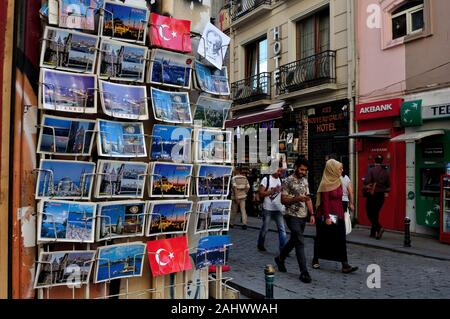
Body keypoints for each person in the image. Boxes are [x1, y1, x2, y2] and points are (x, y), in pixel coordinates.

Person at [312, 159, 358, 274]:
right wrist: (327, 217)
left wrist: (343, 213)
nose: (341, 170)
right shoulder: (325, 183)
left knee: (341, 238)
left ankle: (345, 264)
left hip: (339, 214)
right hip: (329, 215)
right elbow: (325, 202)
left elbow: (341, 198)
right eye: (339, 168)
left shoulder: (338, 181)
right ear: (332, 169)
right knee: (323, 237)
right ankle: (315, 258)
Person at [274, 157, 315, 284]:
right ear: (296, 167)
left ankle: (280, 258)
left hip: (303, 215)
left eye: (305, 170)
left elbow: (307, 198)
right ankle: (304, 272)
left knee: (294, 240)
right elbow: (283, 200)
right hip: (291, 215)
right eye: (302, 169)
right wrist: (297, 198)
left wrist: (312, 214)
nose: (303, 172)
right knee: (299, 242)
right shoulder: (287, 181)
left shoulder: (305, 180)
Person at [257, 162, 287, 253]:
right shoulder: (266, 179)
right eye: (278, 171)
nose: (279, 173)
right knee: (265, 228)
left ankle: (283, 249)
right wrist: (272, 191)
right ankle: (260, 244)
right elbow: (261, 193)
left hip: (278, 209)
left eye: (280, 171)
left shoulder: (280, 180)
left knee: (282, 229)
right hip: (268, 208)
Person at [364, 154, 390, 239]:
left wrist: (365, 181)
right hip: (381, 195)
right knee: (375, 213)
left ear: (374, 161)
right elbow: (388, 184)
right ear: (382, 161)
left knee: (369, 212)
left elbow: (367, 181)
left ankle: (379, 228)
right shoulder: (385, 171)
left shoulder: (371, 170)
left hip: (373, 194)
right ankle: (373, 233)